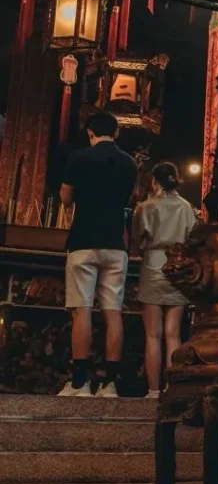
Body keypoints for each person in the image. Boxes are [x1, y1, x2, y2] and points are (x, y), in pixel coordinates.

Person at [59, 111, 138, 398]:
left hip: (83, 241)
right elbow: (128, 199)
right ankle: (109, 383)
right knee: (113, 312)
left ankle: (79, 383)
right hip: (116, 245)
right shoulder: (129, 162)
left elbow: (66, 199)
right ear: (116, 133)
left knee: (82, 310)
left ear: (90, 133)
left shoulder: (79, 157)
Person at [132, 161, 197, 398]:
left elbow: (136, 244)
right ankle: (174, 388)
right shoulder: (187, 207)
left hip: (152, 265)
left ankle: (153, 390)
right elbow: (193, 238)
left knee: (152, 335)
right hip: (178, 266)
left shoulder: (145, 207)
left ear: (154, 181)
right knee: (174, 334)